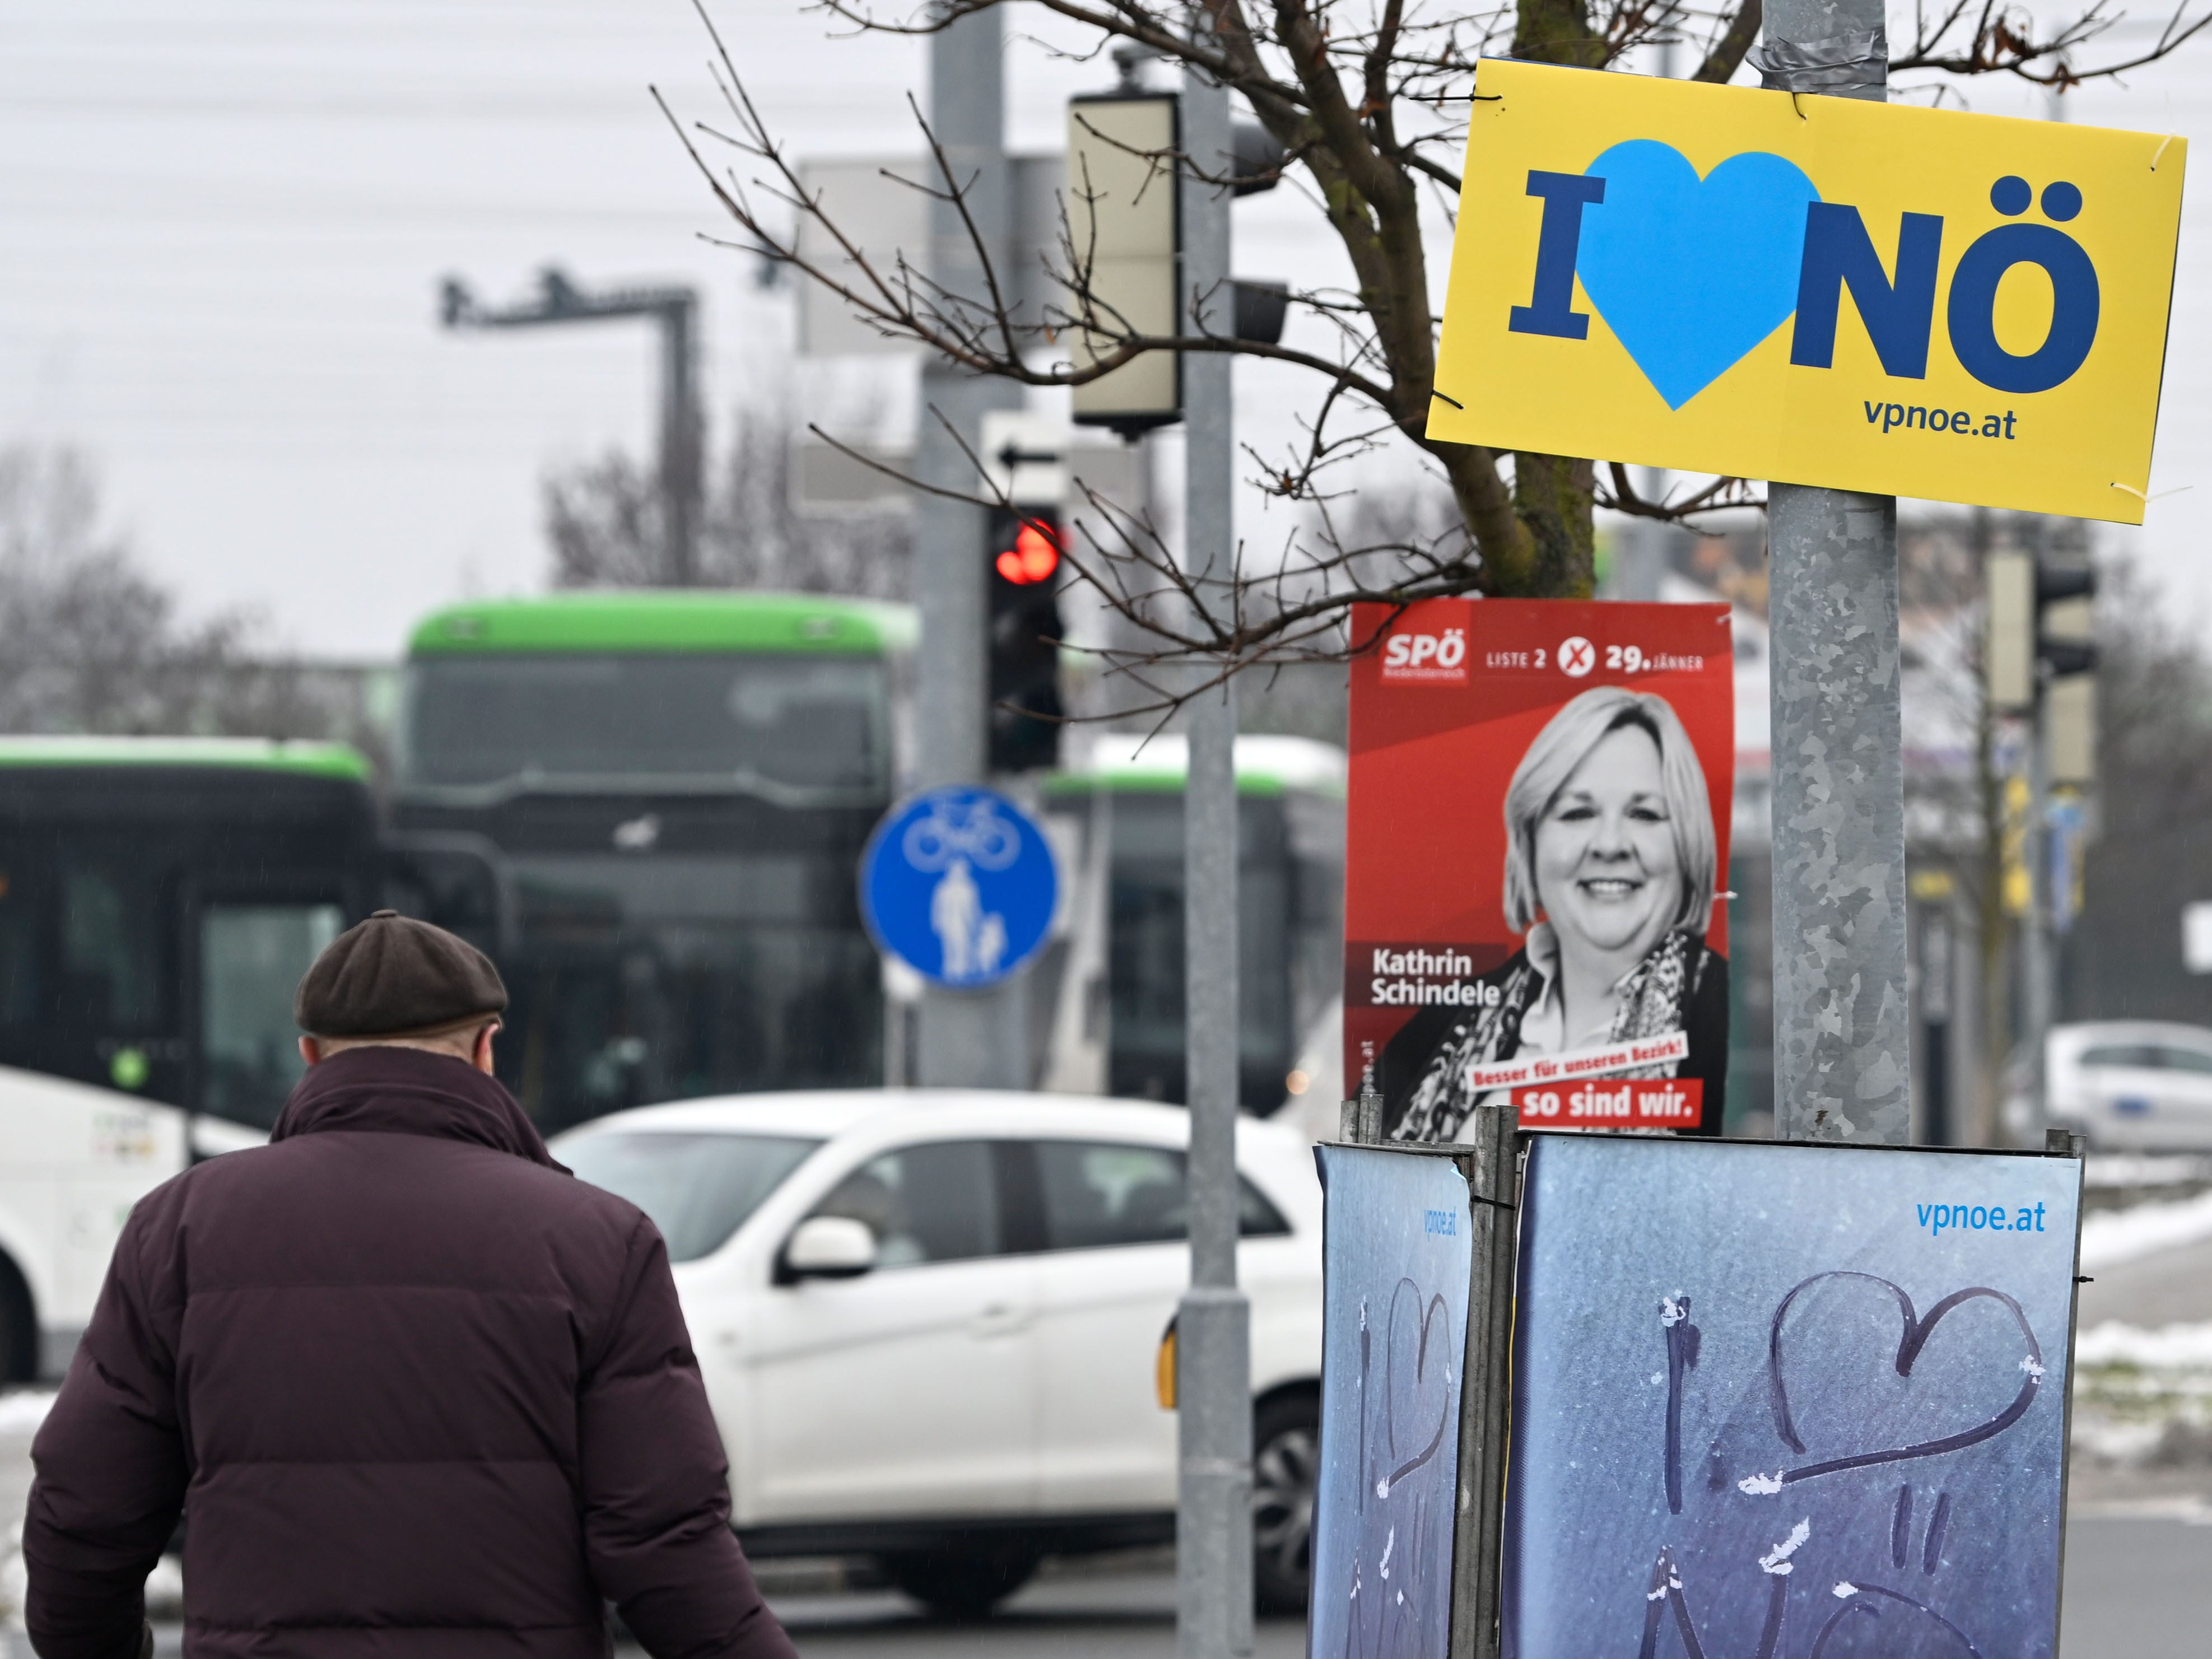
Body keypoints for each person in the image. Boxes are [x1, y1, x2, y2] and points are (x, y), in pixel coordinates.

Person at [23, 910, 797, 1659]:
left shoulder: (180, 1228)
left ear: (311, 1055)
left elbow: (87, 1515)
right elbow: (667, 1546)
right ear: (488, 1047)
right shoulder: (600, 1239)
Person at [1385, 686, 1727, 1142]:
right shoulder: (1446, 1020)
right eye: (1577, 813)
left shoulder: (1726, 1016)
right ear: (1530, 841)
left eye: (1644, 814)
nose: (1609, 844)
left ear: (1688, 843)